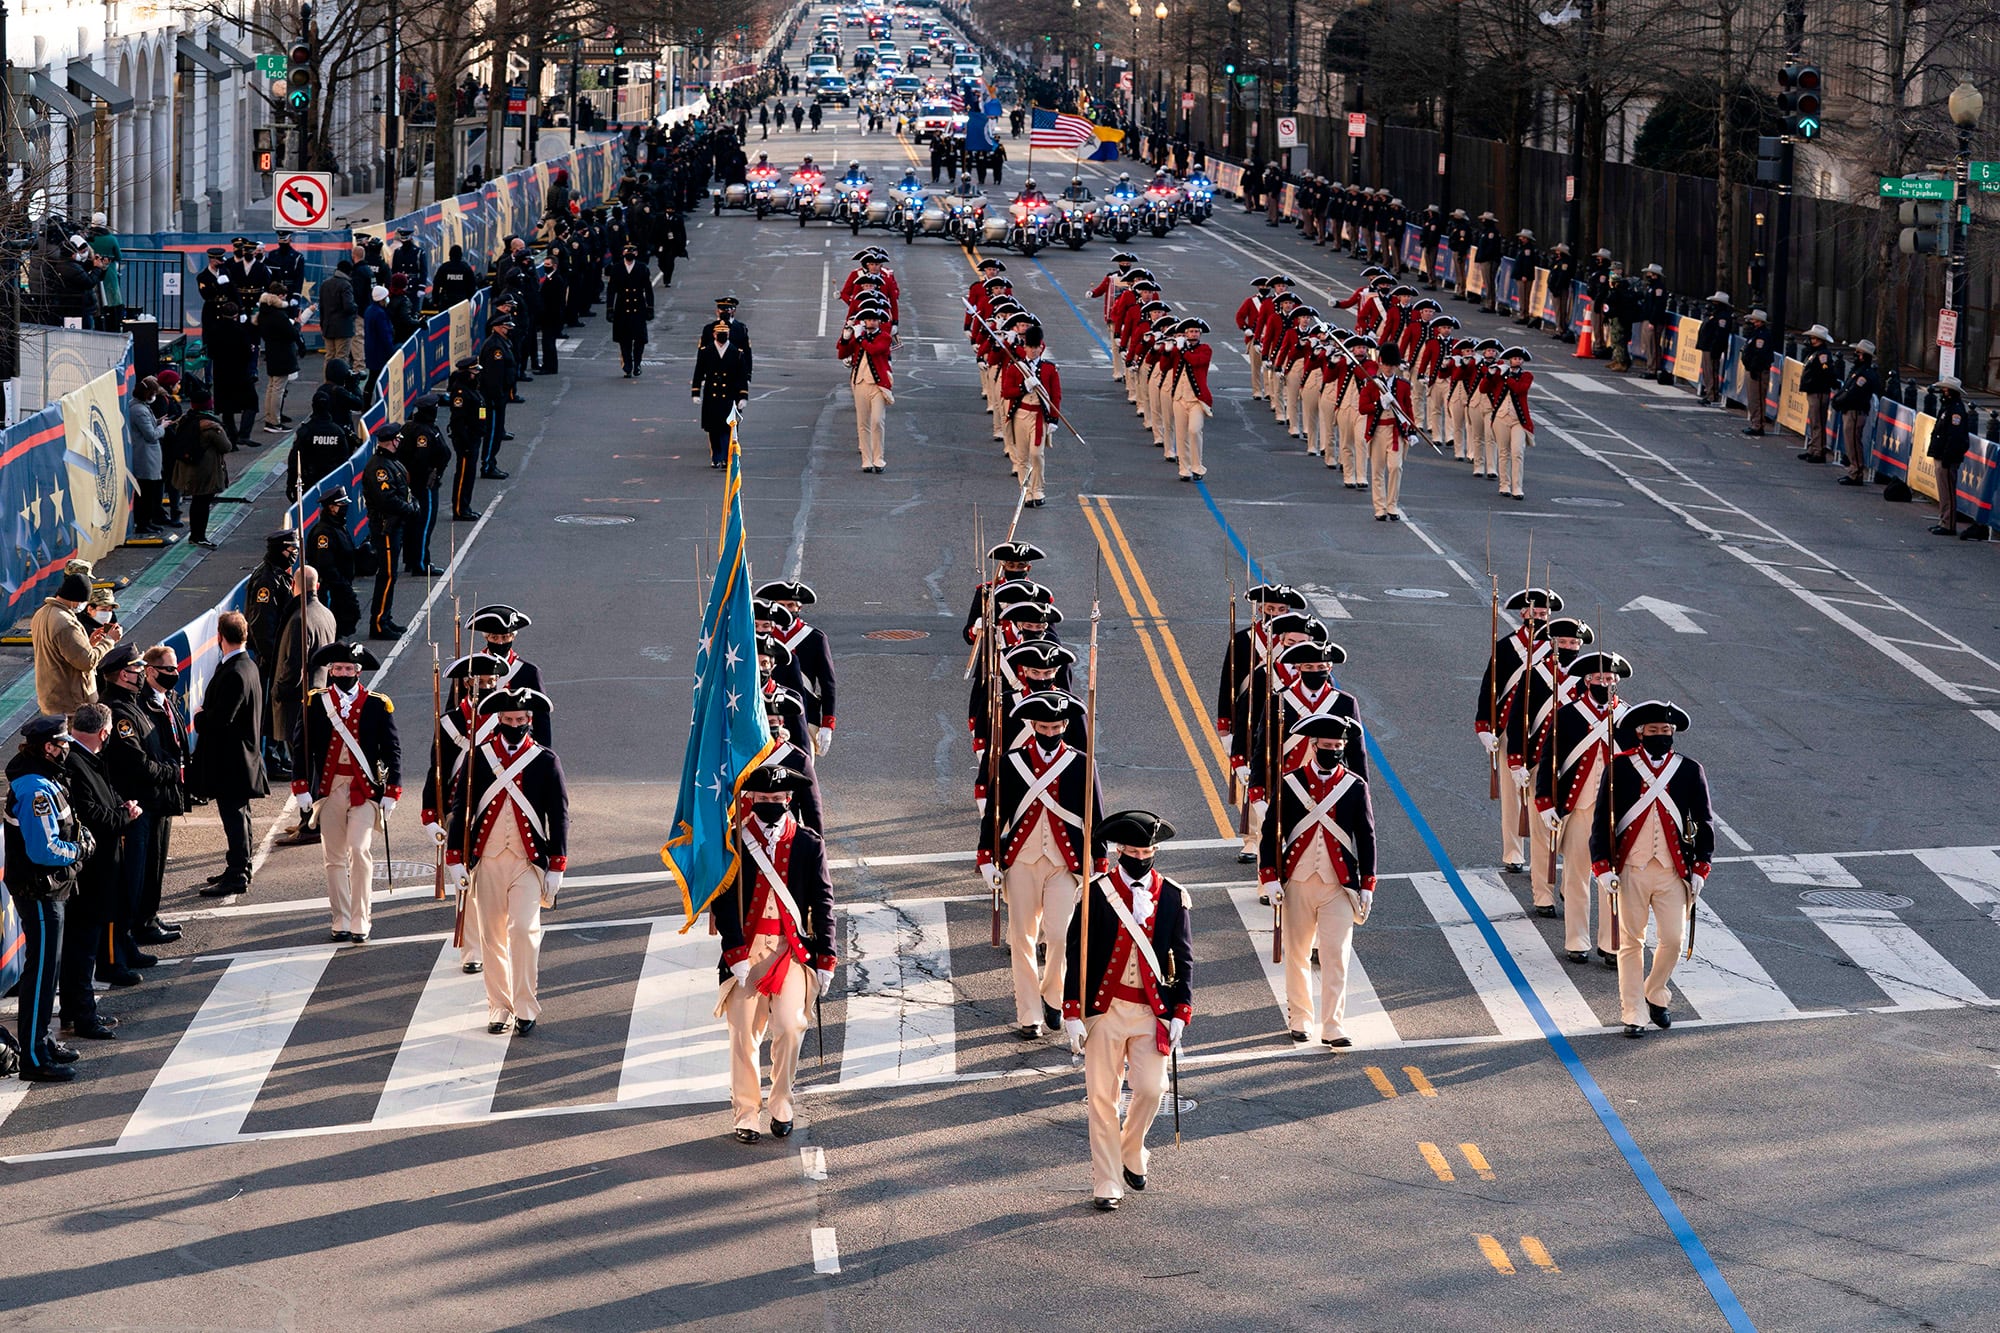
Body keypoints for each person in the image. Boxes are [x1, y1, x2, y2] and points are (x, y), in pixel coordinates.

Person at [1061, 809, 1193, 1212]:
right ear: (1120, 850)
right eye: (1134, 850)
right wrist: (1071, 1011)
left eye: (1147, 849)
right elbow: (1075, 954)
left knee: (1152, 1090)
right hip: (1105, 1010)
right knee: (1102, 1098)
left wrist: (1180, 1012)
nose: (1141, 856)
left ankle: (1131, 1147)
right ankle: (1106, 1180)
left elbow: (1184, 959)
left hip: (1151, 1011)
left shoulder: (1172, 895)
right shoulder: (1096, 892)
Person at [714, 764, 836, 1144]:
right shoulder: (733, 841)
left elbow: (823, 902)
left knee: (789, 1027)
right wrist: (733, 950)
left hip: (790, 952)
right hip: (746, 953)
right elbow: (722, 900)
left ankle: (781, 1101)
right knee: (743, 1036)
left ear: (789, 800)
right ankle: (746, 1111)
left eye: (776, 800)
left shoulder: (808, 842)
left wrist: (827, 956)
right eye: (762, 799)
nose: (770, 805)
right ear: (750, 800)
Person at [977, 692, 1105, 1038]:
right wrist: (987, 857)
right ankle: (1029, 1013)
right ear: (1033, 726)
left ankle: (1053, 995)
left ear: (1065, 726)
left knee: (1061, 935)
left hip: (1064, 862)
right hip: (1021, 859)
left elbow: (1095, 815)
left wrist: (1100, 858)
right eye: (1044, 726)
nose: (1051, 732)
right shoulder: (1011, 762)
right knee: (1022, 937)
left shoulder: (1081, 762)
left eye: (1057, 726)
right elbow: (995, 813)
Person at [443, 686, 567, 1035]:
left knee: (524, 932)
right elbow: (460, 809)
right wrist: (455, 859)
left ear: (530, 721)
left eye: (521, 720)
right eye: (509, 719)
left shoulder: (545, 760)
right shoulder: (478, 757)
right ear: (498, 720)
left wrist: (557, 864)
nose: (516, 725)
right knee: (492, 936)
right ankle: (499, 1006)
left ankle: (526, 1005)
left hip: (527, 862)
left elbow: (558, 816)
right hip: (488, 858)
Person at [1589, 700, 1714, 1039]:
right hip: (1630, 868)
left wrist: (1701, 868)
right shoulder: (1619, 767)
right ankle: (1633, 1012)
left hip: (1673, 871)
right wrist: (1601, 866)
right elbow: (1602, 820)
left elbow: (1703, 821)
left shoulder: (1689, 770)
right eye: (1653, 731)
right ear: (1640, 733)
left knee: (1673, 940)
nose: (1661, 735)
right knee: (1630, 943)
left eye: (1665, 731)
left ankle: (1655, 992)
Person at [1259, 713, 1376, 1045]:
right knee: (1296, 953)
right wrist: (1269, 877)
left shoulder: (1355, 787)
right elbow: (1271, 833)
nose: (1334, 751)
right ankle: (1300, 1017)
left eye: (1339, 746)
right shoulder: (1290, 783)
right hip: (1297, 879)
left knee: (1335, 956)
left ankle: (1333, 1025)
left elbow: (1366, 837)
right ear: (1313, 746)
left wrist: (1367, 883)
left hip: (1338, 884)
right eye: (1327, 746)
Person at [293, 642, 401, 944]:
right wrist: (301, 785)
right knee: (334, 857)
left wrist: (392, 791)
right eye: (338, 669)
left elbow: (392, 750)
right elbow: (300, 746)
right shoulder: (315, 703)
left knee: (359, 849)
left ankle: (360, 918)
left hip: (363, 790)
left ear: (359, 671)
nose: (343, 673)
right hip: (329, 790)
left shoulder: (378, 704)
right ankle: (340, 918)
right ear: (331, 671)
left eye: (349, 669)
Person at [1536, 649, 1631, 965]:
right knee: (1576, 877)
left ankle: (1611, 944)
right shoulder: (1568, 715)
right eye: (1600, 678)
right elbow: (1551, 761)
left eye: (1610, 678)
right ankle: (1577, 940)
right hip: (1579, 808)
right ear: (1588, 681)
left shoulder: (1628, 719)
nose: (1606, 683)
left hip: (1616, 813)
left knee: (1613, 879)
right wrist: (1546, 803)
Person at [6, 714, 87, 1082]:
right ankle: (35, 1058)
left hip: (50, 888)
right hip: (39, 889)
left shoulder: (45, 779)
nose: (67, 748)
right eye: (62, 743)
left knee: (47, 971)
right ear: (47, 746)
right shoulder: (35, 789)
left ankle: (41, 1040)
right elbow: (44, 849)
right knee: (40, 975)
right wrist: (79, 849)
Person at [61, 701, 134, 1041]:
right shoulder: (77, 764)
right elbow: (91, 816)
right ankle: (82, 1016)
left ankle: (76, 1012)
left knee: (80, 945)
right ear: (104, 733)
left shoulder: (82, 760)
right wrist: (125, 817)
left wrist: (120, 806)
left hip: (90, 869)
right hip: (89, 872)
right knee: (82, 946)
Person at [1476, 588, 1560, 872]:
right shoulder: (1506, 646)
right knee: (1512, 796)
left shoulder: (1555, 651)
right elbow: (1490, 687)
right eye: (1534, 613)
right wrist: (1484, 726)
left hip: (1545, 732)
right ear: (1523, 614)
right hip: (1510, 731)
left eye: (1543, 614)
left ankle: (1546, 849)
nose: (1539, 617)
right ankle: (1513, 851)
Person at [191, 613, 268, 897]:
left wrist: (200, 717)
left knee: (234, 818)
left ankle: (237, 873)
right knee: (241, 816)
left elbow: (220, 720)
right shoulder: (247, 666)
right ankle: (239, 866)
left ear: (219, 637)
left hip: (232, 761)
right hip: (241, 759)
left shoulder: (235, 672)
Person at [32, 561, 121, 717]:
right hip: (71, 706)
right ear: (76, 599)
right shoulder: (66, 623)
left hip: (52, 698)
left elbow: (62, 651)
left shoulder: (42, 613)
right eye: (83, 602)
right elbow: (86, 662)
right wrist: (109, 640)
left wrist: (89, 644)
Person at [362, 423, 418, 639]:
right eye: (398, 439)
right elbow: (387, 499)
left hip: (395, 525)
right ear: (392, 440)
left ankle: (385, 617)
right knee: (386, 576)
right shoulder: (380, 468)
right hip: (385, 527)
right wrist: (409, 509)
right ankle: (378, 623)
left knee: (391, 576)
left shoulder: (391, 462)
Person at [1001, 324, 1061, 508]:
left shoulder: (1050, 369)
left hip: (1039, 416)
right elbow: (1006, 392)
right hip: (1021, 414)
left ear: (1041, 348)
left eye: (1037, 347)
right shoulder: (1016, 367)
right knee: (1022, 456)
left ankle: (1039, 489)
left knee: (1036, 454)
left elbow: (1055, 395)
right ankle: (1026, 490)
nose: (1033, 351)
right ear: (1024, 347)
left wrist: (1053, 419)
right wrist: (1023, 387)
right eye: (1030, 347)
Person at [170, 382, 233, 549]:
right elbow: (226, 446)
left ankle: (195, 535)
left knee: (196, 502)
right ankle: (199, 536)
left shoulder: (185, 420)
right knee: (203, 504)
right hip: (205, 471)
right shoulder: (210, 426)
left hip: (187, 468)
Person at [837, 303, 894, 473]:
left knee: (877, 421)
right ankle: (867, 460)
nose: (871, 322)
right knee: (863, 423)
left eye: (874, 320)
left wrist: (859, 337)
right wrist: (846, 337)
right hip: (859, 382)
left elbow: (874, 350)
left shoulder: (884, 337)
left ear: (879, 321)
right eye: (868, 319)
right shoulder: (858, 337)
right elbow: (841, 353)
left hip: (878, 385)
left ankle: (879, 458)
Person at [1363, 343, 1416, 518]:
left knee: (1395, 467)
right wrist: (1379, 404)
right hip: (1378, 431)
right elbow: (1363, 407)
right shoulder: (1372, 384)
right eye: (1386, 364)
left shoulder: (1403, 385)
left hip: (1395, 430)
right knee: (1377, 470)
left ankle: (1392, 504)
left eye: (1392, 365)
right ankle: (1379, 507)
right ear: (1380, 363)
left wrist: (1413, 431)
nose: (1389, 368)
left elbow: (1408, 410)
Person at [692, 316, 751, 468]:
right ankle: (716, 457)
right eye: (719, 332)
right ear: (714, 334)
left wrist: (743, 396)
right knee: (713, 429)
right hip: (712, 395)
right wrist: (696, 392)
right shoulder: (706, 352)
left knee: (727, 428)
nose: (722, 335)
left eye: (725, 332)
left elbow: (741, 377)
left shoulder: (737, 353)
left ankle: (726, 457)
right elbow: (698, 372)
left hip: (729, 396)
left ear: (729, 334)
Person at [307, 487, 364, 637]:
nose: (344, 508)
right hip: (332, 590)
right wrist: (342, 586)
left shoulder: (338, 526)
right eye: (341, 505)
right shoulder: (324, 534)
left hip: (341, 586)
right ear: (331, 507)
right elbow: (325, 565)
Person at [1169, 317, 1213, 482]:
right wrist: (1166, 350)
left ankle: (1197, 466)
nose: (1193, 334)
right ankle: (1184, 469)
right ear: (1185, 334)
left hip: (1196, 399)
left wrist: (1181, 350)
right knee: (1181, 434)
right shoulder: (1178, 349)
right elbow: (1165, 365)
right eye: (1190, 332)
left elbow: (1196, 361)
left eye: (1196, 331)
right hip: (1179, 397)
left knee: (1194, 430)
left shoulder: (1205, 349)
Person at [1489, 346, 1535, 502]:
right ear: (1510, 360)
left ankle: (1517, 487)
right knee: (1503, 452)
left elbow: (1519, 389)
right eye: (1515, 358)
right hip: (1501, 417)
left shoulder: (1526, 376)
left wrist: (1506, 377)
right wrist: (1490, 375)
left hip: (1518, 420)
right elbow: (1484, 389)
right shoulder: (1499, 374)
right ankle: (1504, 484)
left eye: (1520, 359)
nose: (1517, 361)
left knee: (1517, 452)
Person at [1929, 376, 1972, 537]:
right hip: (1941, 454)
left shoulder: (1956, 411)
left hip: (1947, 457)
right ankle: (1943, 520)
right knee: (1943, 491)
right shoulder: (1948, 407)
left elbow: (1955, 437)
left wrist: (1947, 457)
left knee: (1948, 491)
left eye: (1946, 390)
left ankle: (1949, 524)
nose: (1943, 392)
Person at [1835, 340, 1882, 486]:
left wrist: (1840, 400)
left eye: (1859, 353)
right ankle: (1854, 470)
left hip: (1856, 410)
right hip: (1850, 409)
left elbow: (1854, 393)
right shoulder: (1857, 370)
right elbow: (1847, 388)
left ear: (1865, 356)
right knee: (1850, 442)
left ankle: (1856, 472)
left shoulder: (1866, 374)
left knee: (1854, 442)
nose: (1856, 355)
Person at [257, 283, 303, 433]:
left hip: (272, 351)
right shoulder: (278, 315)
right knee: (278, 389)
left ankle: (270, 418)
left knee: (272, 387)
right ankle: (274, 421)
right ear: (279, 296)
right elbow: (292, 333)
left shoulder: (264, 313)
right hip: (282, 353)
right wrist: (297, 324)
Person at [446, 358, 487, 520]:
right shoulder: (461, 393)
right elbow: (458, 422)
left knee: (470, 474)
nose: (477, 374)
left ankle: (466, 506)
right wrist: (465, 444)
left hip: (474, 437)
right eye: (475, 371)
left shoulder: (472, 388)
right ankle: (459, 509)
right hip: (467, 440)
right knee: (464, 475)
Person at [606, 242, 655, 378]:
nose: (629, 254)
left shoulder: (642, 268)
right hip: (622, 308)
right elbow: (611, 291)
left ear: (636, 254)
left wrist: (650, 308)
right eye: (627, 251)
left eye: (632, 251)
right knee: (624, 339)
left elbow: (648, 290)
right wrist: (610, 309)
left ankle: (637, 363)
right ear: (623, 253)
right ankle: (627, 364)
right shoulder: (616, 268)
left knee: (639, 339)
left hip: (638, 307)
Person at [128, 377, 168, 535]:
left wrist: (157, 422)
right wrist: (162, 427)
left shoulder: (138, 406)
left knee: (148, 492)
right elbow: (151, 435)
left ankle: (147, 521)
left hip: (148, 455)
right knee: (145, 492)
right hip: (146, 455)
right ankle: (143, 523)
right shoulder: (139, 410)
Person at [1797, 325, 1840, 463]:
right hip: (1813, 390)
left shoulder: (1822, 355)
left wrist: (1826, 384)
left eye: (1815, 338)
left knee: (1818, 422)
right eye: (1811, 338)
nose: (1812, 340)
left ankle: (1819, 451)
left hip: (1819, 391)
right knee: (1813, 421)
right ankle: (1813, 448)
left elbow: (1826, 372)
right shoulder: (1814, 353)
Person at [1738, 309, 1776, 436]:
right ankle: (1755, 422)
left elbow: (1759, 354)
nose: (1751, 322)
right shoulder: (1756, 333)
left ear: (1759, 322)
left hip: (1758, 371)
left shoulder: (1762, 335)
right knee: (1752, 398)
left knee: (1757, 398)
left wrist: (1754, 368)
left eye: (1753, 320)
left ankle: (1758, 425)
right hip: (1752, 369)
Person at [318, 260, 359, 367]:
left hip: (328, 326)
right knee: (342, 357)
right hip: (343, 328)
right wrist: (356, 307)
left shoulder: (325, 284)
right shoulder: (346, 285)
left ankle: (328, 381)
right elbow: (349, 307)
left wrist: (323, 325)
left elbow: (321, 307)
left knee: (329, 356)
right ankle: (340, 382)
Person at [1694, 293, 1732, 407]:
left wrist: (1715, 349)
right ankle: (1708, 392)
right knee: (1707, 371)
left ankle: (1712, 395)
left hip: (1712, 347)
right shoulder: (1715, 314)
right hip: (1706, 346)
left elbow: (1720, 334)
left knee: (1711, 371)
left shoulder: (1723, 317)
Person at [87, 213, 124, 330]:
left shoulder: (88, 238)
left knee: (95, 298)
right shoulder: (111, 239)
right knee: (111, 298)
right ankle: (112, 325)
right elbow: (119, 256)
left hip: (91, 269)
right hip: (109, 272)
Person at [429, 245, 480, 311]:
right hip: (462, 301)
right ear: (461, 255)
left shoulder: (444, 267)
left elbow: (436, 285)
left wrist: (435, 301)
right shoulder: (466, 268)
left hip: (446, 301)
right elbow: (472, 286)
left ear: (450, 255)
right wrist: (468, 299)